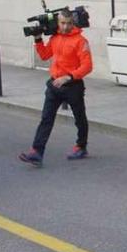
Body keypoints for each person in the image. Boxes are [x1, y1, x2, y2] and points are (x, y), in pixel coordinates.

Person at [19, 10, 93, 167]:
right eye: (62, 23)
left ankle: (81, 146)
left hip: (72, 85)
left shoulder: (81, 41)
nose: (65, 27)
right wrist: (38, 39)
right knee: (46, 119)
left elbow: (87, 66)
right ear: (58, 23)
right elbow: (45, 55)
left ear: (73, 23)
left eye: (68, 23)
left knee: (80, 118)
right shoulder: (55, 38)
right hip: (54, 85)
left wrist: (69, 77)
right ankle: (36, 152)